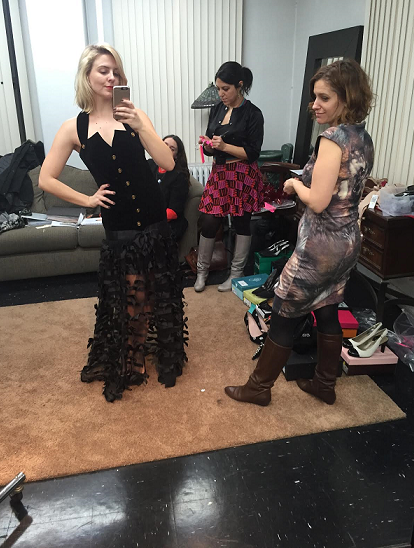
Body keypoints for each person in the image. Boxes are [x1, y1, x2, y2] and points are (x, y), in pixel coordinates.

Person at [39, 43, 187, 402]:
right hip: (118, 221)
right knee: (131, 293)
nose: (111, 77)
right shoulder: (73, 128)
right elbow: (46, 178)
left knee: (153, 290)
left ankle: (149, 353)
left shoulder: (134, 115)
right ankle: (133, 355)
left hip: (152, 215)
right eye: (103, 70)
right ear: (86, 76)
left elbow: (168, 162)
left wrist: (140, 126)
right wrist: (88, 200)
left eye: (115, 71)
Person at [225, 59, 374, 407]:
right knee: (327, 307)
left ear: (347, 98)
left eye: (324, 98)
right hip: (347, 241)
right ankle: (324, 384)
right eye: (314, 97)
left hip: (320, 246)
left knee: (282, 311)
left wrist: (294, 184)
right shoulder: (361, 136)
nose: (314, 105)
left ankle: (258, 388)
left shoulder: (332, 139)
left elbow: (318, 201)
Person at [195, 61, 264, 293]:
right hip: (219, 173)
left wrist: (224, 146)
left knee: (241, 223)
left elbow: (253, 153)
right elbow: (210, 143)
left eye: (226, 89)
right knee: (209, 221)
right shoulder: (217, 108)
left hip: (242, 174)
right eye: (218, 89)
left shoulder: (253, 114)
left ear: (239, 85)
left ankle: (236, 273)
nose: (221, 94)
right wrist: (208, 146)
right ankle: (202, 271)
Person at [148, 134, 190, 242]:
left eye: (172, 149)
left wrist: (148, 219)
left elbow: (173, 212)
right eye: (165, 145)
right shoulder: (149, 164)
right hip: (147, 219)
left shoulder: (179, 176)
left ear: (176, 156)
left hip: (167, 224)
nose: (166, 149)